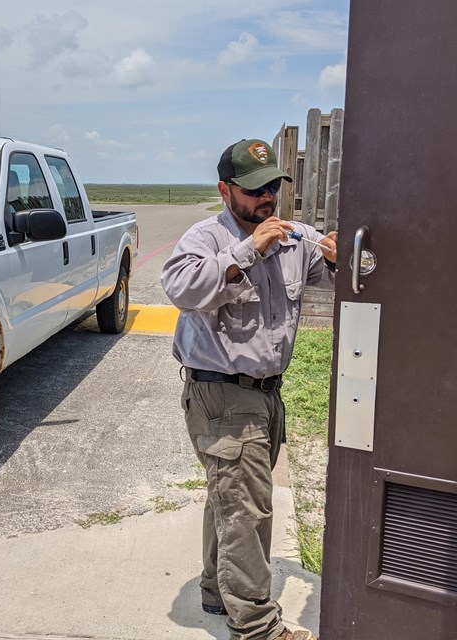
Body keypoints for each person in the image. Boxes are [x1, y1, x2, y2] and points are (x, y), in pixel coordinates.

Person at [160, 138, 337, 640]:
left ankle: (218, 593)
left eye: (273, 187)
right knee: (246, 509)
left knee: (229, 499)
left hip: (264, 393)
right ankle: (258, 627)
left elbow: (331, 273)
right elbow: (181, 289)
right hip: (220, 393)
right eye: (255, 189)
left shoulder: (292, 238)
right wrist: (247, 249)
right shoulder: (207, 237)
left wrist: (342, 255)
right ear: (225, 190)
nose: (267, 198)